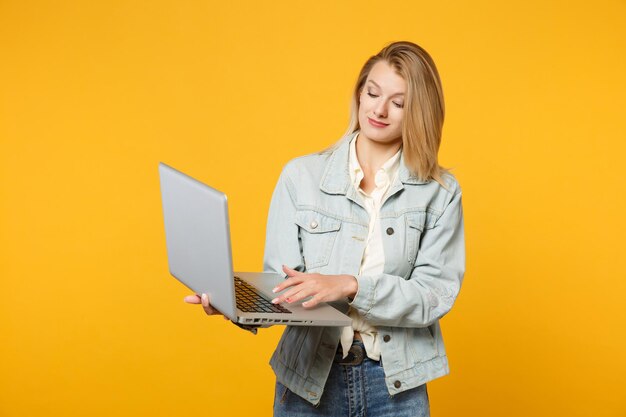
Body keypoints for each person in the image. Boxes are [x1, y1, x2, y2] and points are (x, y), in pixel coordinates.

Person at [185, 40, 465, 417]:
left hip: (396, 386)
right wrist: (235, 305)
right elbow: (282, 285)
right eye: (372, 93)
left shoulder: (439, 193)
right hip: (308, 381)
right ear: (359, 94)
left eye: (398, 103)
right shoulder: (301, 177)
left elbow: (433, 295)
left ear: (420, 112)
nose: (379, 109)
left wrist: (351, 285)